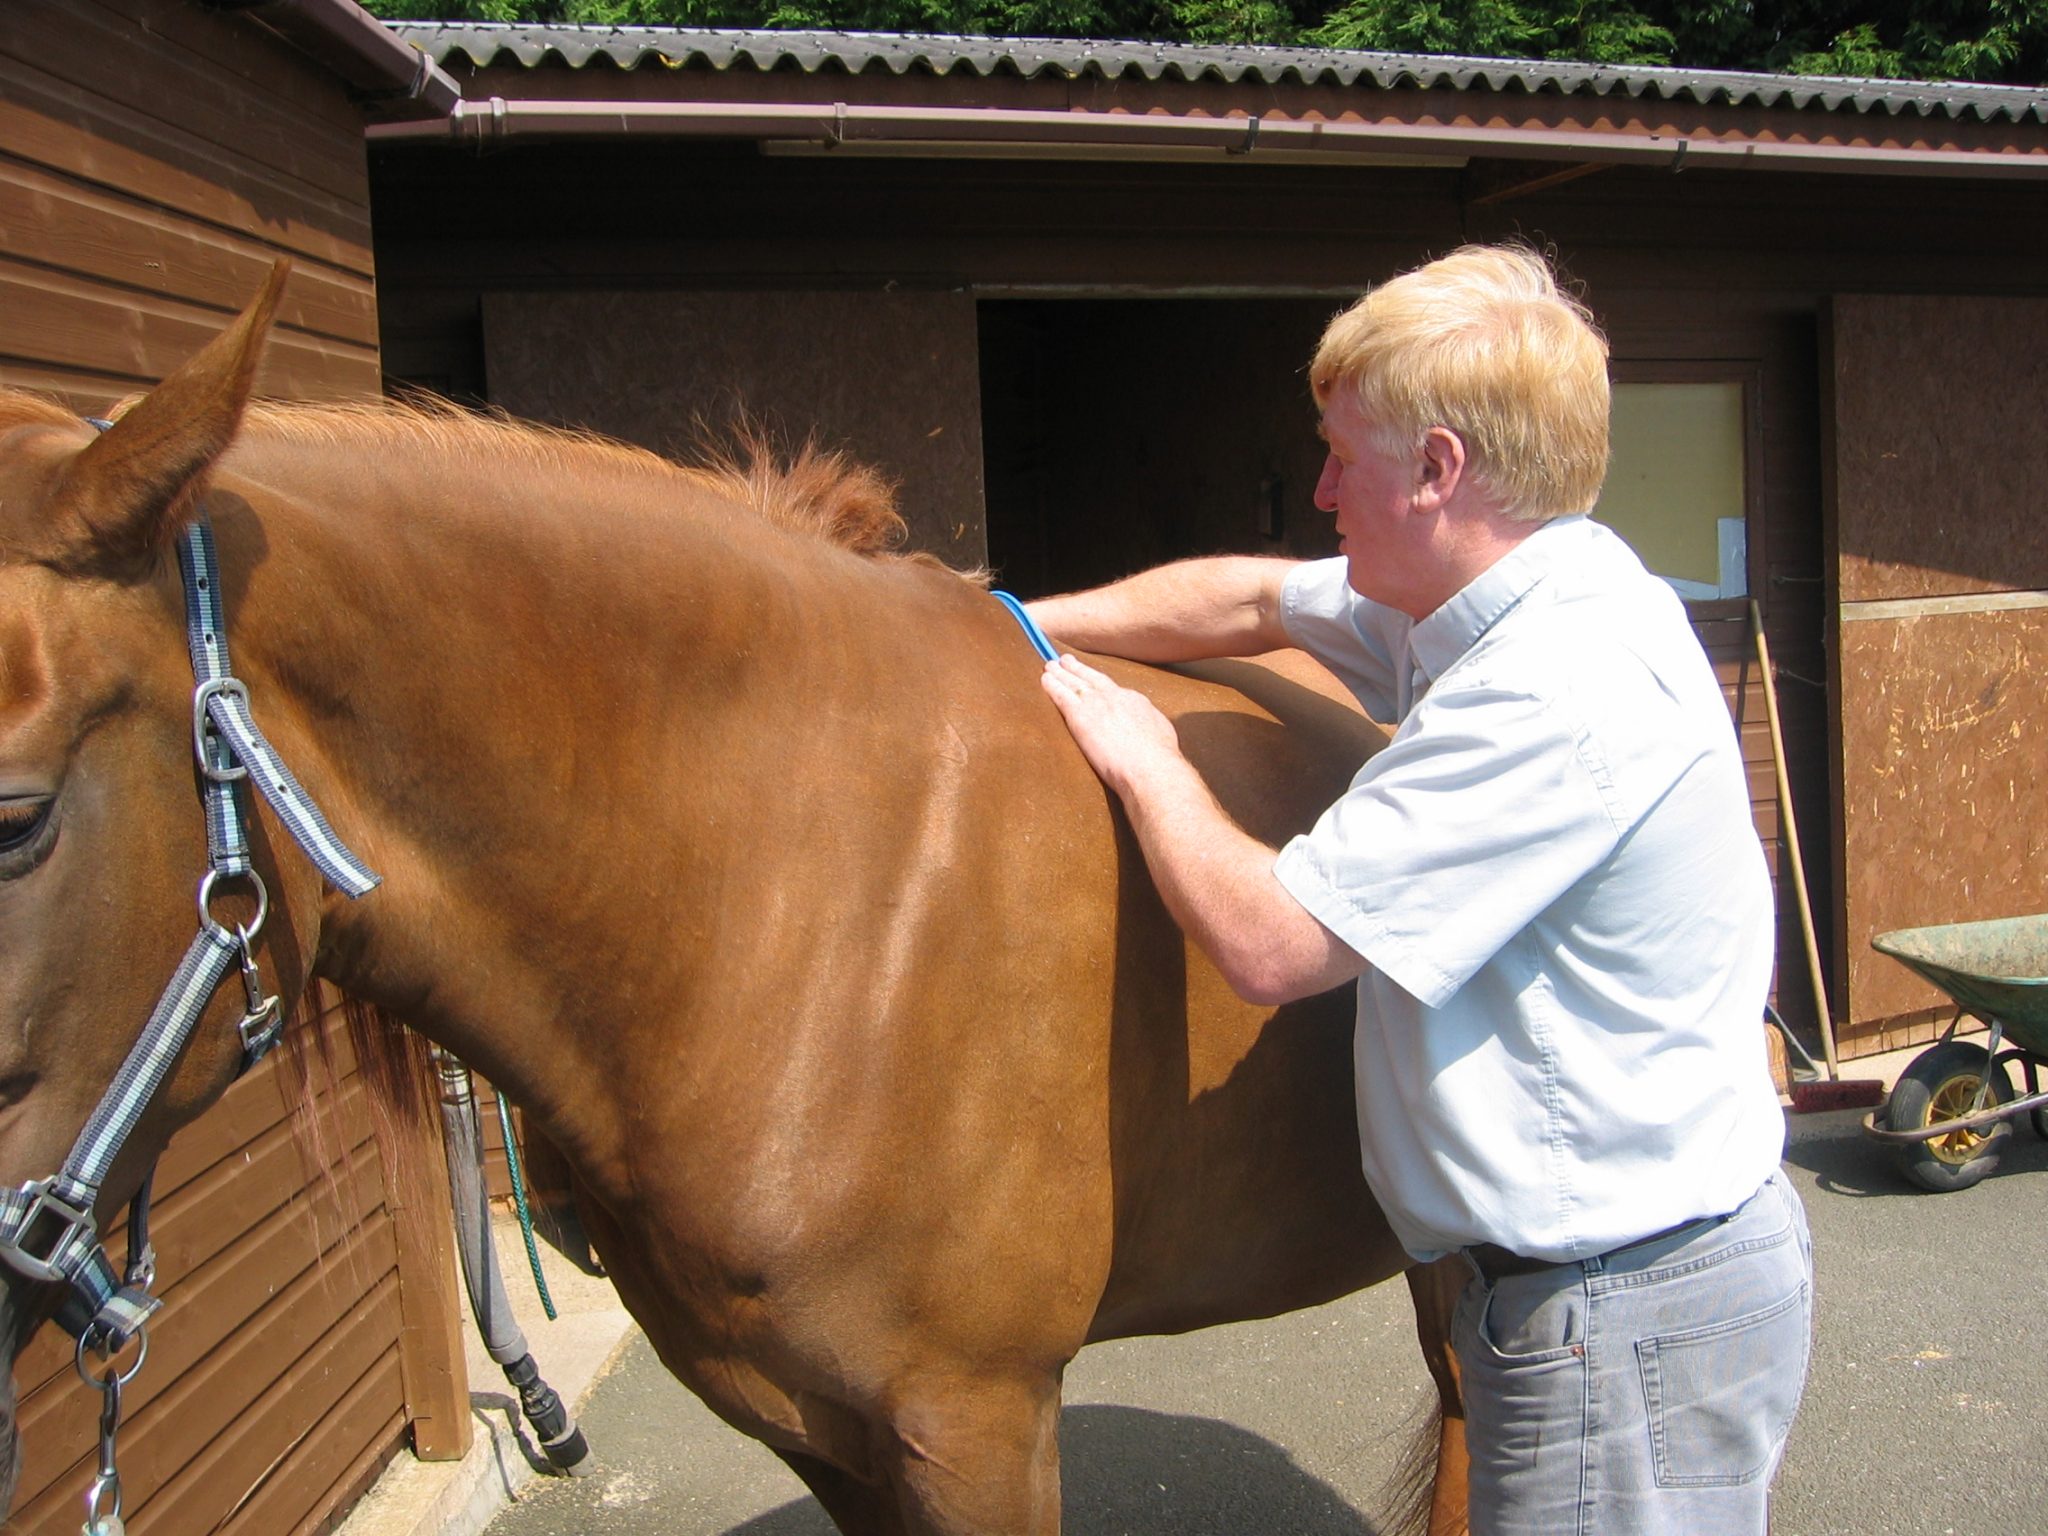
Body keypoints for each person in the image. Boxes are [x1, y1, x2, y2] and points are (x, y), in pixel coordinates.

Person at [1027, 243, 1811, 1535]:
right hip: (1593, 1303)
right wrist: (1006, 617)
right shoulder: (1523, 591)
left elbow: (1276, 943)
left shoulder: (1554, 686)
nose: (1323, 488)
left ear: (1440, 469)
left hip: (1619, 1324)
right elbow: (1249, 597)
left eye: (1344, 455)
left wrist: (1151, 760)